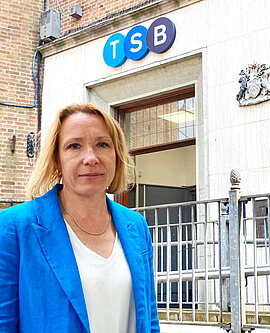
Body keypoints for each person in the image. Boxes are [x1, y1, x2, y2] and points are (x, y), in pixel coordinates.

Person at [0, 104, 160, 332]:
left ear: (116, 155)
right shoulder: (13, 228)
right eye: (74, 146)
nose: (91, 158)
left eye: (102, 144)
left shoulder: (135, 225)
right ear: (57, 159)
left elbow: (149, 318)